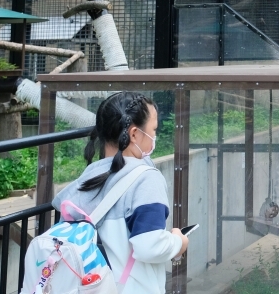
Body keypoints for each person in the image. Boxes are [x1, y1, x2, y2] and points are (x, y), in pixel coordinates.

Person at [53, 92, 187, 294]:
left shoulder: (89, 176)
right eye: (154, 130)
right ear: (134, 134)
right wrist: (178, 242)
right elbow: (148, 245)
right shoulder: (146, 179)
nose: (154, 137)